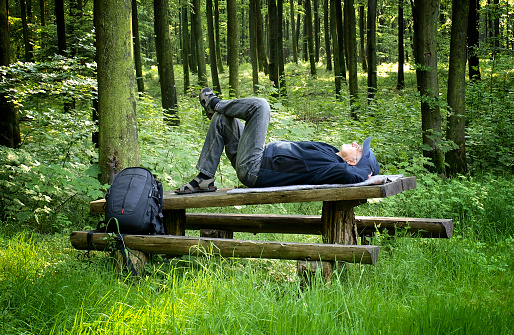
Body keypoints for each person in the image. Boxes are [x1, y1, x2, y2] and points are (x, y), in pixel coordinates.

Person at [175, 88, 380, 194]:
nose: (355, 144)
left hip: (255, 167)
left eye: (359, 150)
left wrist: (365, 171)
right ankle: (205, 178)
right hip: (255, 156)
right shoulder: (331, 152)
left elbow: (349, 174)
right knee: (222, 120)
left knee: (261, 106)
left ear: (353, 162)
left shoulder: (334, 167)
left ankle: (215, 103)